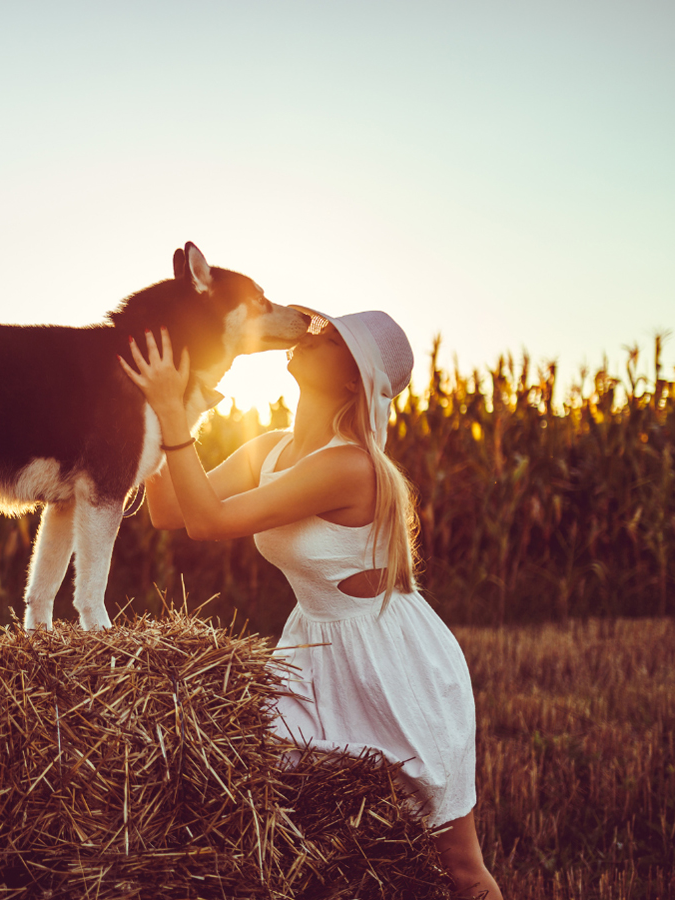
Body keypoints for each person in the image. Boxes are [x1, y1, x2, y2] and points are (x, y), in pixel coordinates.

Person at [119, 311, 502, 899]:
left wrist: (174, 416)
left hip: (391, 665)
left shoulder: (347, 466)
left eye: (329, 337)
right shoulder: (271, 447)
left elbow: (208, 521)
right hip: (313, 652)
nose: (310, 334)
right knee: (296, 850)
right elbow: (169, 511)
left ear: (354, 381)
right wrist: (163, 413)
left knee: (459, 867)